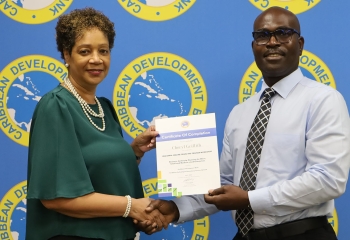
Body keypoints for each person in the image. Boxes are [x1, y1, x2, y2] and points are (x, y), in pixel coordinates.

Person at [140, 6, 350, 240]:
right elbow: (225, 184)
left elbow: (328, 179)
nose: (272, 42)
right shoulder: (240, 113)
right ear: (254, 47)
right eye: (262, 35)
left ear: (299, 44)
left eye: (283, 33)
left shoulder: (323, 100)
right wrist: (177, 208)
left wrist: (249, 199)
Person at [26, 8, 166, 240]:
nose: (96, 59)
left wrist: (134, 152)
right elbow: (56, 197)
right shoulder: (56, 106)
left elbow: (97, 173)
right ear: (66, 55)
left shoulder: (104, 108)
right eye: (84, 51)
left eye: (103, 50)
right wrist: (133, 207)